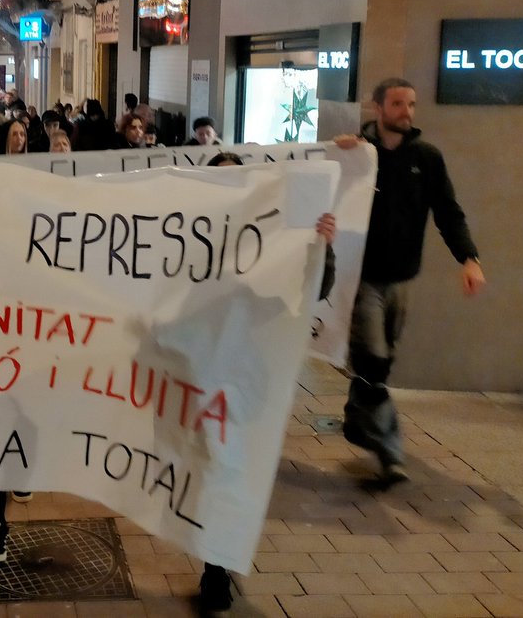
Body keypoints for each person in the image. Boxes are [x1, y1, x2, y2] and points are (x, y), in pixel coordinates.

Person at [196, 149, 337, 615]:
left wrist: (322, 247)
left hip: (249, 372)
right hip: (200, 368)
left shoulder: (275, 231)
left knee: (231, 468)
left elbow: (316, 287)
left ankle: (218, 563)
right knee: (216, 467)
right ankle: (215, 564)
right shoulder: (189, 231)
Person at [336, 77, 485, 486]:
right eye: (398, 103)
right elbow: (320, 192)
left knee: (380, 362)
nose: (407, 111)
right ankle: (390, 452)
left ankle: (356, 414)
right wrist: (337, 154)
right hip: (363, 277)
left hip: (402, 279)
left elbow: (449, 213)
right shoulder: (357, 154)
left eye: (412, 104)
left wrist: (469, 258)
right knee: (374, 359)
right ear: (378, 107)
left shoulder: (427, 159)